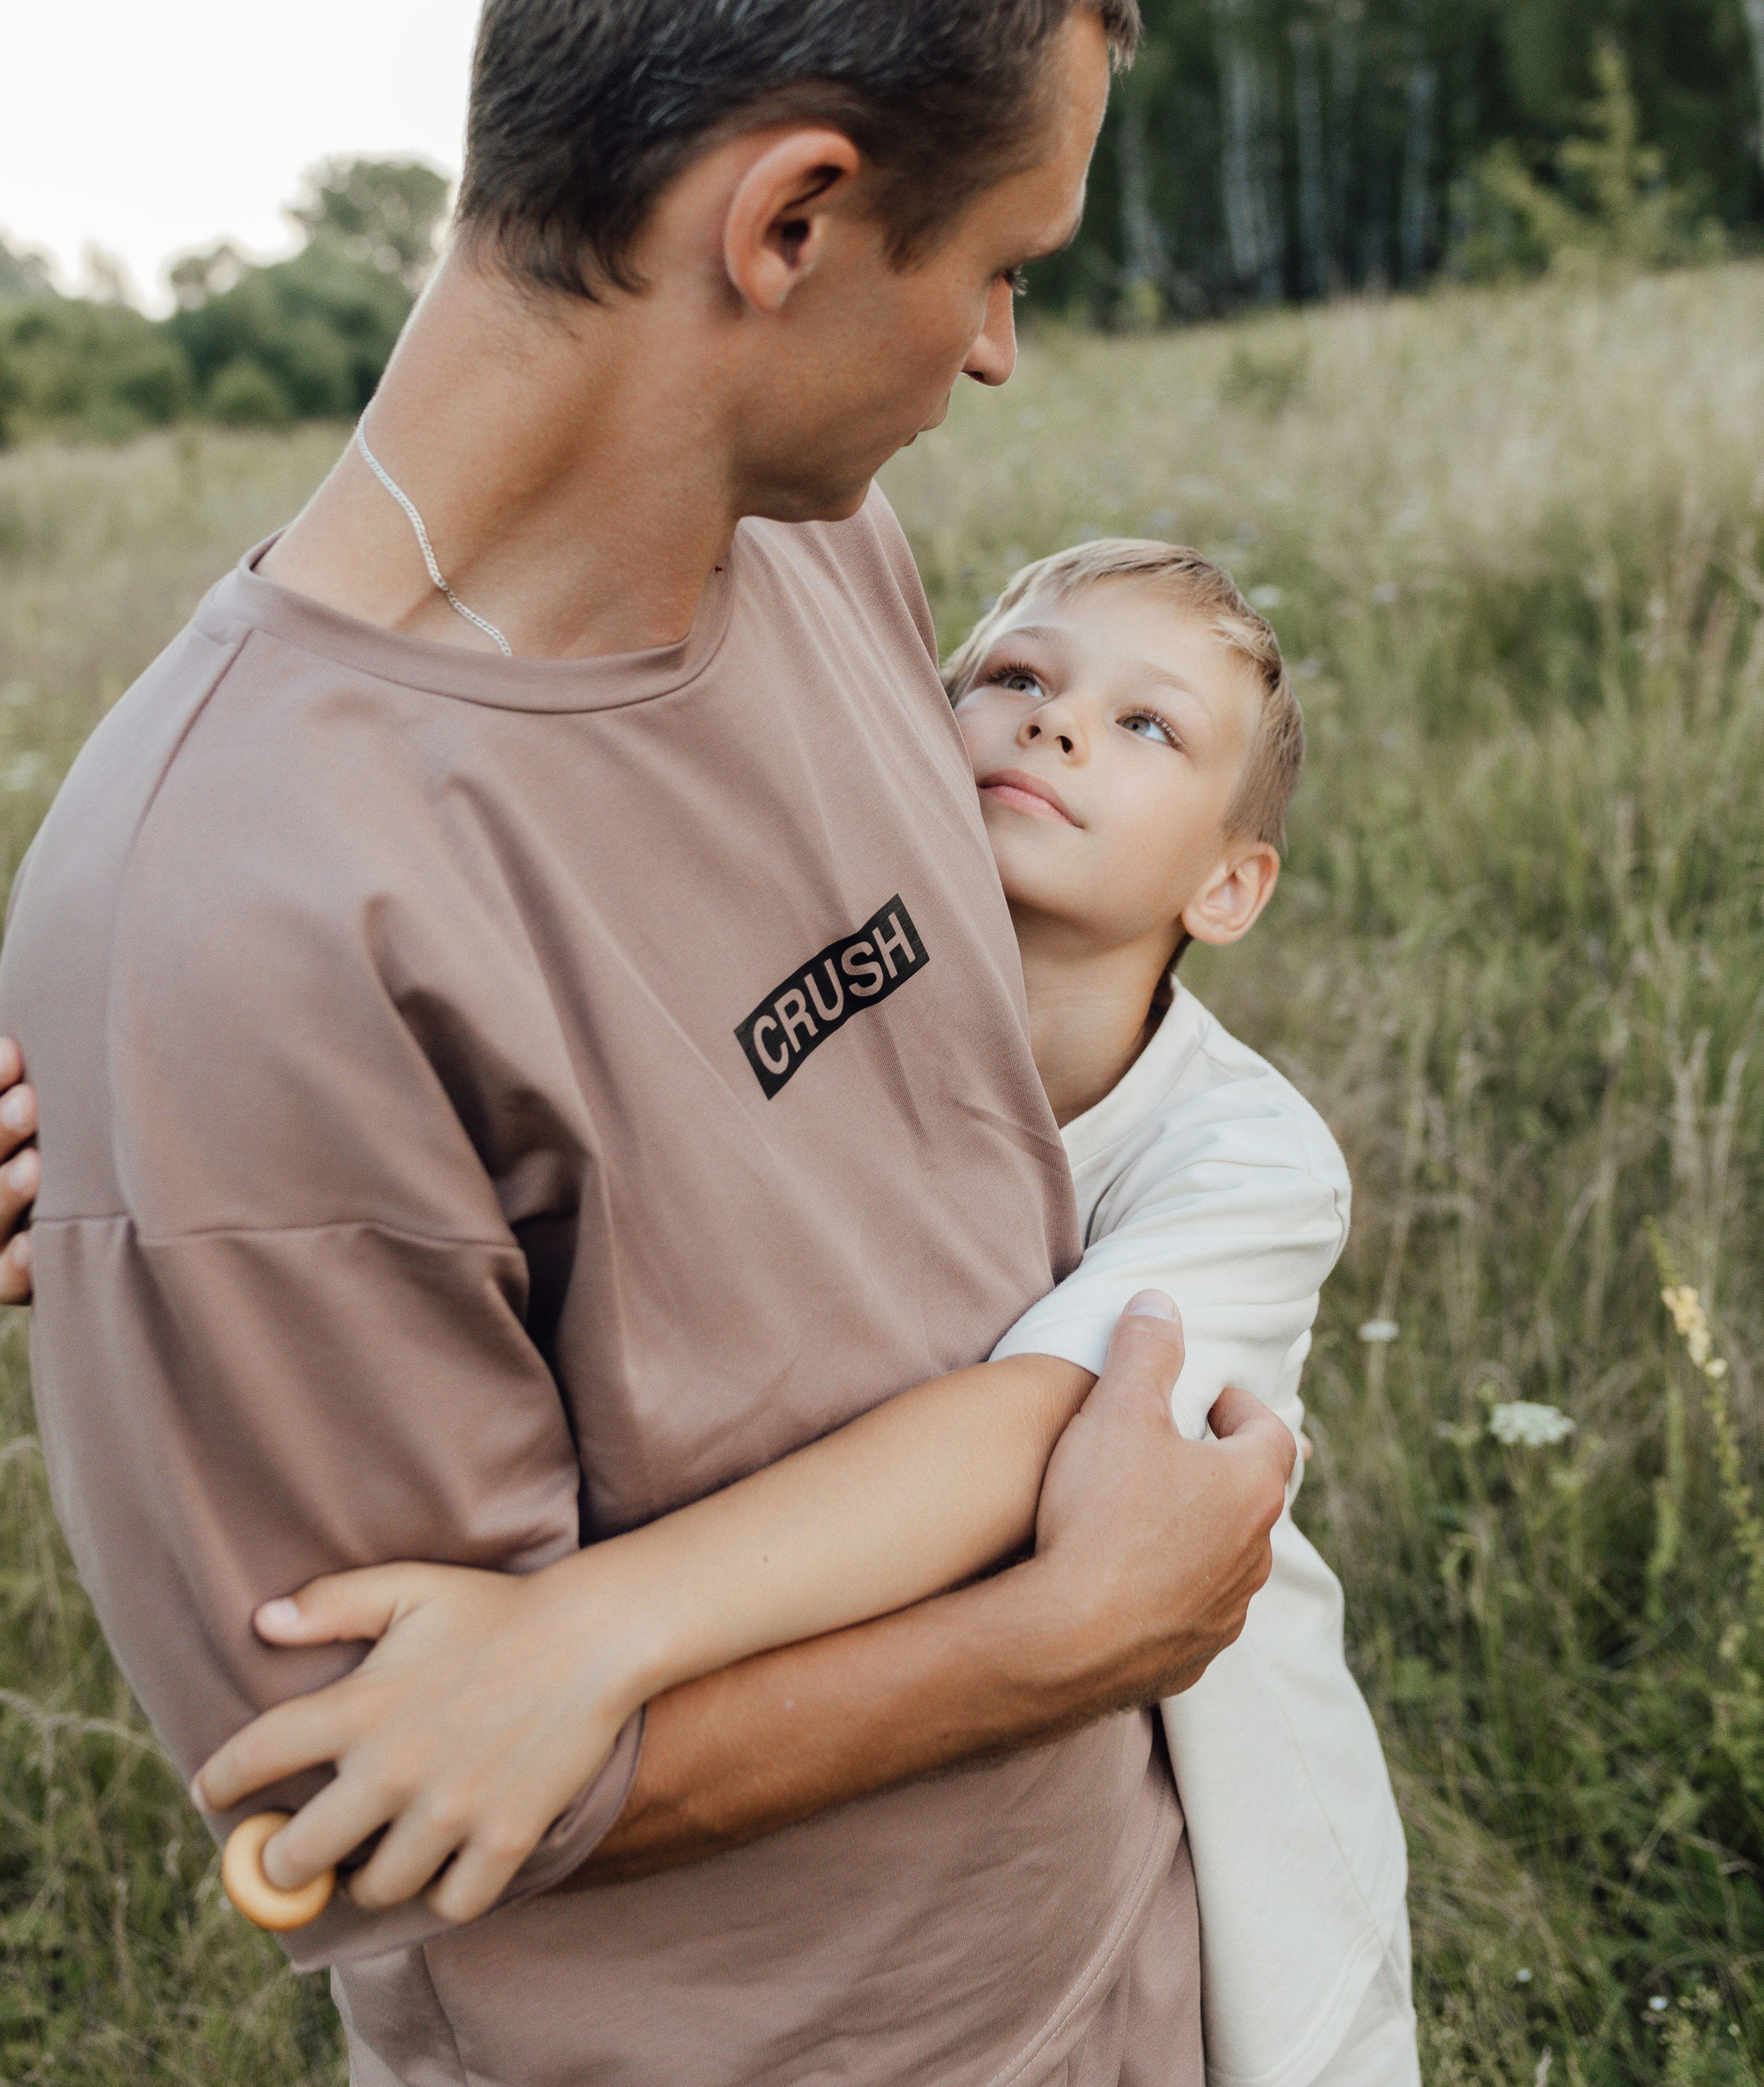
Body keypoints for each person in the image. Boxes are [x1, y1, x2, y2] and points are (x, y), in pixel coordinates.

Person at [0, 0, 1295, 2087]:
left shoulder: (834, 554)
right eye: (998, 264)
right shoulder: (242, 918)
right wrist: (1068, 1631)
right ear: (788, 220)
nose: (1002, 351)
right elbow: (353, 1810)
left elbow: (865, 1146)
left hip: (1131, 1954)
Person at [190, 539, 1416, 2087]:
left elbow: (1028, 1432)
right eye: (1016, 679)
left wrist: (580, 1634)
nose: (1052, 726)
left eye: (1143, 726)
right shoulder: (812, 1005)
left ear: (1228, 887)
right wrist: (140, 1141)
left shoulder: (1243, 1159)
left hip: (1198, 1800)